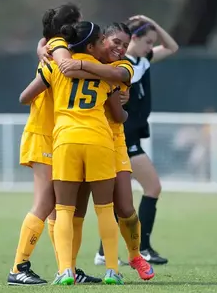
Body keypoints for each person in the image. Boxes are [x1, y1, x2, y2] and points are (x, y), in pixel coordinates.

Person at [20, 21, 128, 285]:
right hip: (99, 141)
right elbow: (118, 115)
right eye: (102, 39)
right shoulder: (107, 72)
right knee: (105, 209)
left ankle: (66, 270)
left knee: (64, 210)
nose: (106, 43)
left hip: (65, 141)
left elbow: (24, 97)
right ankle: (112, 271)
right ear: (91, 46)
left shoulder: (56, 65)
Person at [7, 4, 100, 285]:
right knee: (46, 201)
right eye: (78, 22)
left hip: (57, 136)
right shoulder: (58, 51)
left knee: (57, 207)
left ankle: (67, 268)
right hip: (42, 134)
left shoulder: (58, 48)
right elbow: (27, 95)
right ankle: (18, 267)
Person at [58, 22, 155, 280]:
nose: (120, 49)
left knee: (124, 207)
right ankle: (72, 267)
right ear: (101, 42)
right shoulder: (82, 61)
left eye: (125, 45)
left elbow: (121, 77)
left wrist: (78, 66)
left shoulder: (122, 66)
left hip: (113, 142)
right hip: (88, 140)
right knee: (77, 210)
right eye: (114, 42)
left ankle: (135, 255)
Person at [120, 15, 178, 265]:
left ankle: (105, 251)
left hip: (132, 137)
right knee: (152, 187)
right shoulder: (121, 65)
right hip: (124, 138)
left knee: (120, 197)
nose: (150, 47)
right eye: (147, 41)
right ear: (133, 38)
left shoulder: (141, 61)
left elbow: (172, 47)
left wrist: (150, 21)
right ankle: (142, 247)